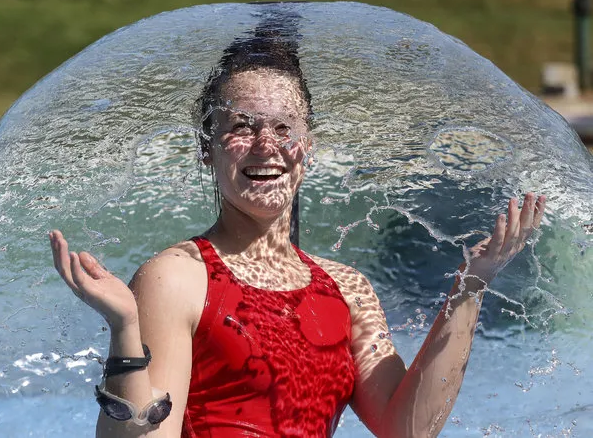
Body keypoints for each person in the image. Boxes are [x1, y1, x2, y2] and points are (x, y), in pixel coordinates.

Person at [49, 22, 546, 438]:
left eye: (284, 127)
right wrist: (126, 331)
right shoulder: (176, 279)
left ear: (308, 147)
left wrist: (471, 285)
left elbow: (409, 428)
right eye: (241, 127)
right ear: (208, 149)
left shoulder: (349, 290)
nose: (266, 144)